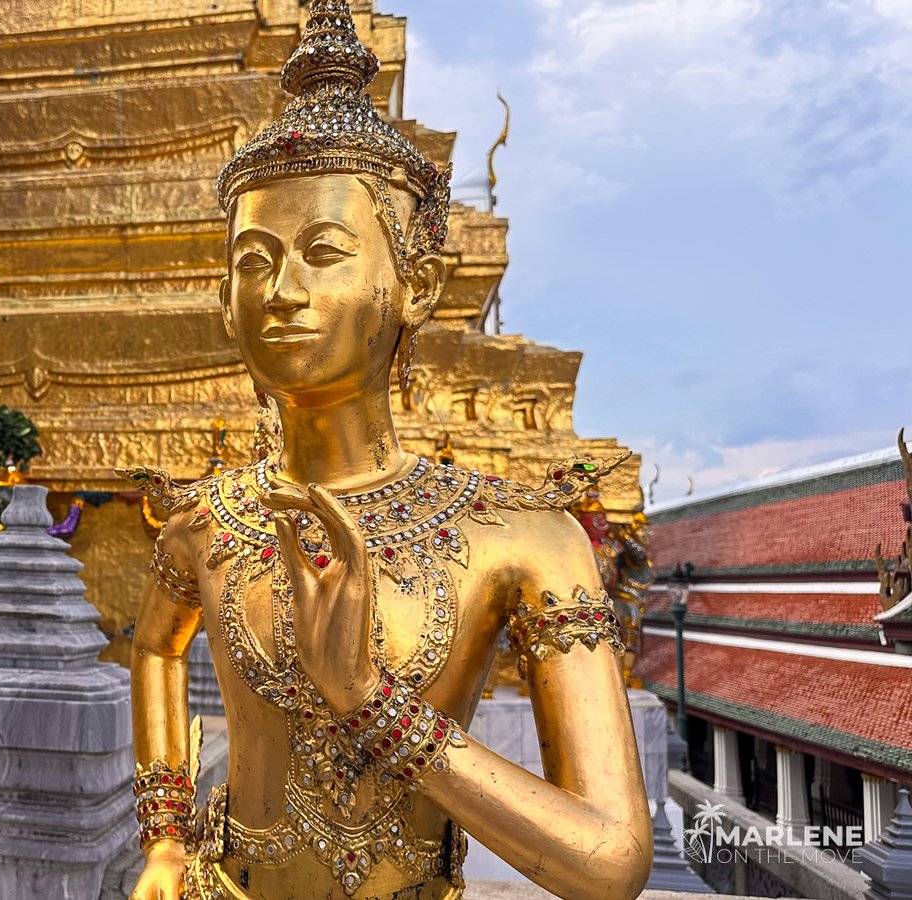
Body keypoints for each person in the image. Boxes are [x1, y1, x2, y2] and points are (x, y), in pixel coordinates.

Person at [125, 3, 651, 898]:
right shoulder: (206, 523)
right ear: (223, 299)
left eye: (324, 251)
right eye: (252, 261)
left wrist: (373, 704)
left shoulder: (525, 537)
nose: (280, 290)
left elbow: (610, 862)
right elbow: (154, 649)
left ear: (418, 284)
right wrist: (166, 837)